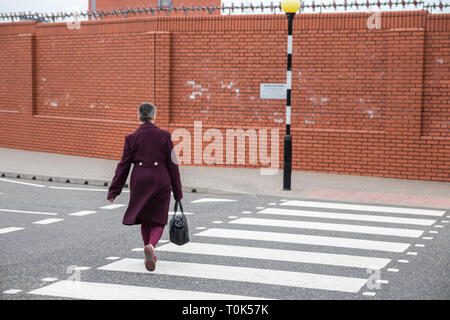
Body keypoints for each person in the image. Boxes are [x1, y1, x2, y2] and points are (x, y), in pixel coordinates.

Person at [107, 102, 183, 272]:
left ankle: (148, 251)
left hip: (140, 178)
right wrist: (178, 191)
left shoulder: (131, 138)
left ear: (139, 117)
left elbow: (124, 165)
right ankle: (151, 246)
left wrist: (114, 191)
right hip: (160, 178)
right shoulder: (164, 136)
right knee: (159, 217)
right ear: (154, 116)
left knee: (144, 216)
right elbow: (173, 164)